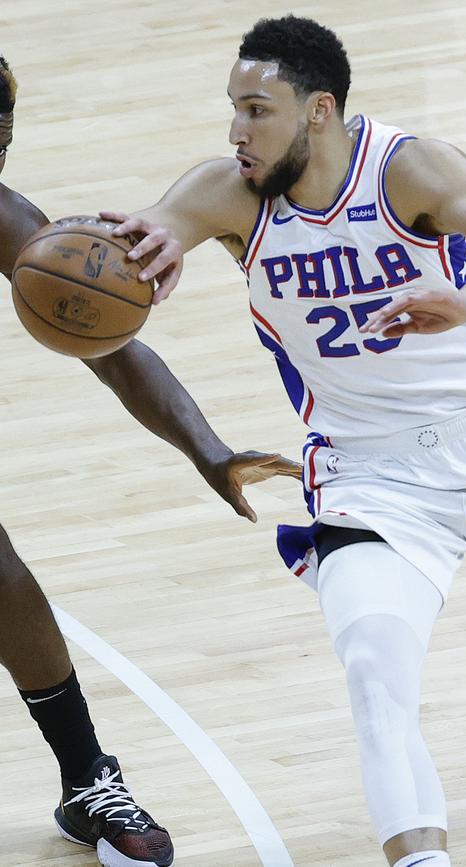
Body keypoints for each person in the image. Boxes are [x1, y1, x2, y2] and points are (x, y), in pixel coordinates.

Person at [101, 15, 466, 867]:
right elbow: (157, 225)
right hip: (370, 475)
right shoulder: (230, 193)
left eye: (258, 110)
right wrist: (133, 254)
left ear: (319, 110)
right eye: (233, 110)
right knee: (374, 669)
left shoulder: (406, 169)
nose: (239, 132)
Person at [0, 55, 301, 867]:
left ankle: (86, 778)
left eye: (2, 131)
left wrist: (207, 450)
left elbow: (115, 351)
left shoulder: (5, 218)